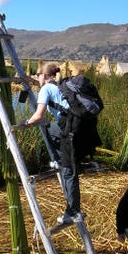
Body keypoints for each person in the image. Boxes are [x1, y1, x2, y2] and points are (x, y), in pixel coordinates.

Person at [25, 62, 82, 224]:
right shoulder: (60, 86)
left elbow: (38, 116)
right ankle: (57, 160)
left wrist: (25, 123)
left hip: (68, 128)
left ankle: (72, 211)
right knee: (69, 170)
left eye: (37, 75)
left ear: (44, 75)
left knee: (68, 172)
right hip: (77, 128)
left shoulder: (46, 89)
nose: (37, 78)